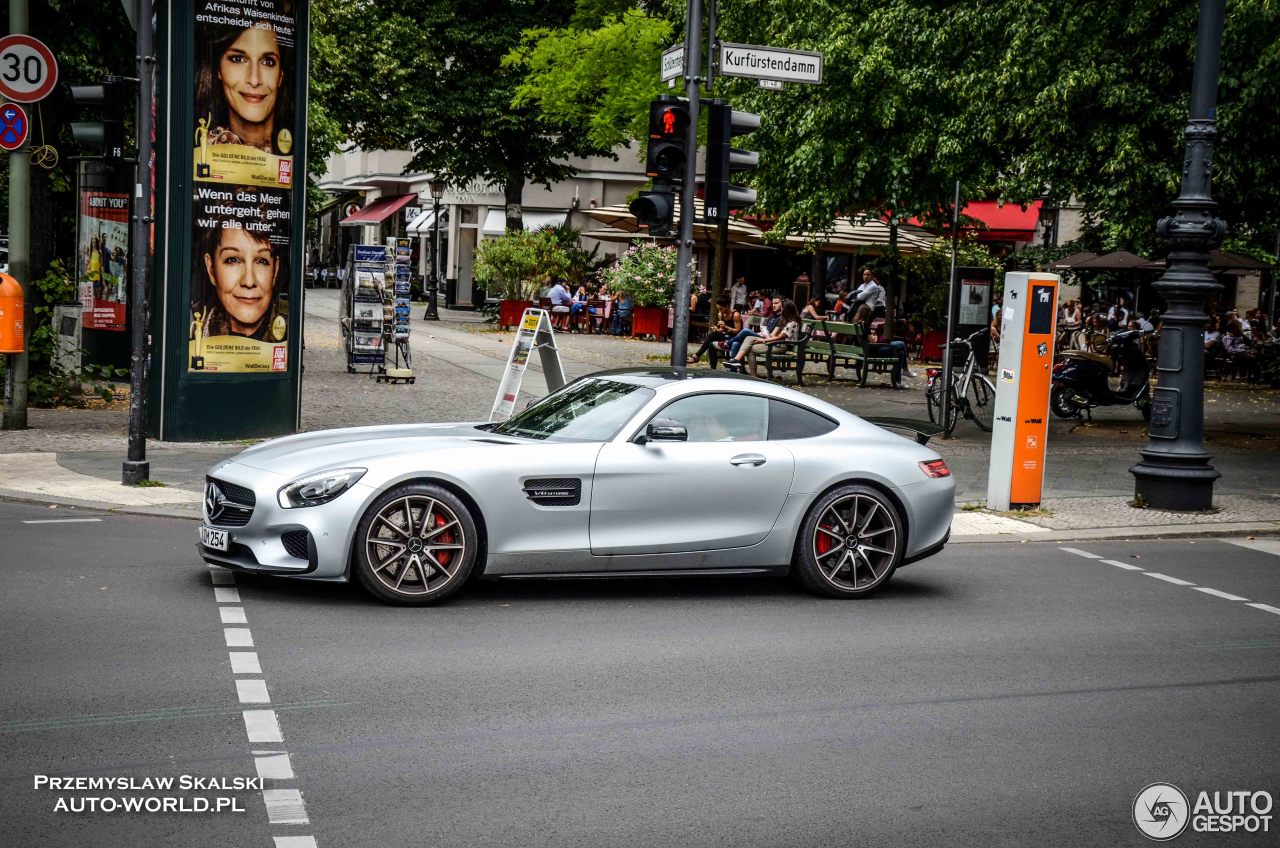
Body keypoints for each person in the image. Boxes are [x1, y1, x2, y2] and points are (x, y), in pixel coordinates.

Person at [196, 21, 292, 155]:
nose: (254, 80)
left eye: (268, 62)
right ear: (218, 70)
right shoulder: (201, 150)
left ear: (281, 75)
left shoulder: (293, 155)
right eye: (238, 59)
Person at [198, 221, 284, 340]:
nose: (249, 281)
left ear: (275, 270)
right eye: (232, 260)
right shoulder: (193, 328)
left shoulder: (290, 335)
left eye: (262, 261)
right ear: (211, 269)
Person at [728, 299, 801, 376]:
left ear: (787, 309)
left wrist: (764, 340)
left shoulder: (793, 323)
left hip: (781, 346)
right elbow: (776, 336)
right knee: (749, 339)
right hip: (776, 344)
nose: (781, 309)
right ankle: (737, 361)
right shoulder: (786, 320)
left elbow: (780, 338)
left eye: (782, 307)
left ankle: (751, 374)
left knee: (749, 346)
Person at [853, 303, 909, 388]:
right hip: (873, 351)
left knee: (901, 353)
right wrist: (875, 336)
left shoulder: (856, 323)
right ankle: (903, 372)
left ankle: (899, 380)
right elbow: (872, 341)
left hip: (864, 350)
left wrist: (871, 335)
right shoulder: (864, 325)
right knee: (901, 344)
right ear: (867, 314)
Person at [687, 295, 744, 368]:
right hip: (727, 336)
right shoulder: (721, 314)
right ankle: (713, 368)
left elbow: (738, 332)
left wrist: (726, 327)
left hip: (736, 338)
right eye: (718, 309)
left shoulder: (735, 315)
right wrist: (718, 329)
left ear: (727, 306)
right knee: (711, 344)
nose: (720, 311)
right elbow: (723, 330)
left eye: (721, 309)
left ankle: (697, 356)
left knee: (712, 336)